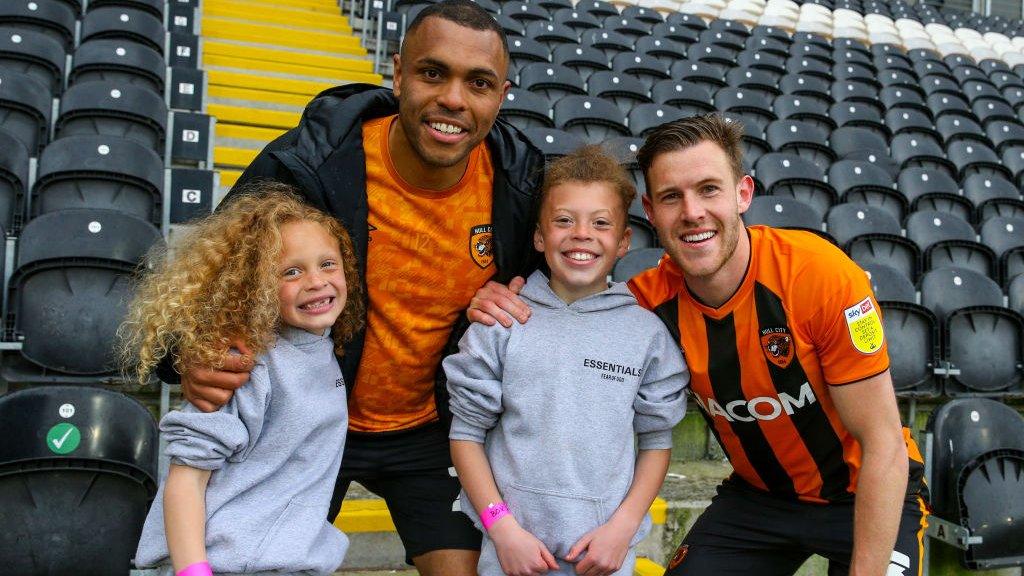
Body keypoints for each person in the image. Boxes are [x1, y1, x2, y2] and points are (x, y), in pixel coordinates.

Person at [154, 1, 545, 573]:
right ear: (398, 73)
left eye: (478, 83)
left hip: (429, 430)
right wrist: (186, 356)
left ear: (501, 94)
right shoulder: (307, 164)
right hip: (304, 420)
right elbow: (203, 282)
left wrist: (512, 302)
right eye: (433, 73)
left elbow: (568, 286)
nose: (454, 100)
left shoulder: (519, 178)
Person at [470, 115, 928, 576]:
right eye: (672, 196)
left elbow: (884, 446)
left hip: (866, 492)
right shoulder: (643, 305)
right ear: (651, 212)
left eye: (708, 189)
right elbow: (570, 308)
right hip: (760, 499)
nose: (692, 212)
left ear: (743, 193)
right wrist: (501, 298)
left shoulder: (820, 278)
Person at [445, 146, 689, 576]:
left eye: (600, 223)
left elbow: (656, 441)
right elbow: (466, 434)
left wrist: (623, 527)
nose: (581, 234)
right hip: (512, 554)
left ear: (623, 241)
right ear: (539, 237)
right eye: (563, 220)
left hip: (602, 556)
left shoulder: (646, 335)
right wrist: (501, 529)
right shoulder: (501, 321)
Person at [125, 183, 364, 576]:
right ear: (254, 287)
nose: (317, 281)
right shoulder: (243, 363)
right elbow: (185, 481)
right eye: (291, 271)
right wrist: (192, 571)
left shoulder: (323, 349)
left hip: (291, 562)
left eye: (327, 264)